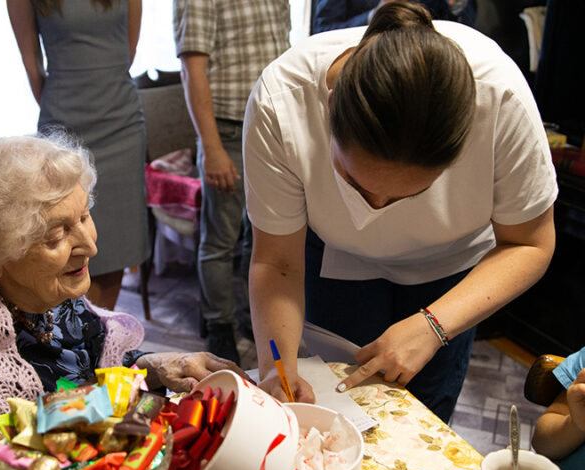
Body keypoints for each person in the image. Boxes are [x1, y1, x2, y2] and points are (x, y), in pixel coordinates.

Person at [244, 1, 556, 422]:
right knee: (330, 404)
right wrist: (275, 371)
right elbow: (277, 262)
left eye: (413, 193)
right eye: (356, 184)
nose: (378, 208)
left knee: (425, 413)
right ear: (330, 107)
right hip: (337, 258)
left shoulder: (499, 98)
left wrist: (433, 326)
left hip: (450, 271)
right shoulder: (281, 102)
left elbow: (531, 242)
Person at [0, 133, 248, 436]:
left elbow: (100, 367)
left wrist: (159, 366)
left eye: (84, 215)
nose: (90, 245)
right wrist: (125, 400)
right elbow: (11, 443)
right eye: (55, 235)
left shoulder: (42, 286)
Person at [7, 0, 149, 310]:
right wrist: (65, 100)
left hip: (120, 120)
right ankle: (70, 340)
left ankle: (99, 339)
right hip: (63, 121)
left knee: (118, 243)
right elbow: (31, 63)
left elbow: (128, 52)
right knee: (61, 238)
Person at [174, 0, 291, 364]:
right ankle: (219, 326)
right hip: (226, 128)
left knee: (262, 235)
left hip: (273, 123)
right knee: (221, 239)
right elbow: (193, 71)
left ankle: (250, 317)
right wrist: (210, 147)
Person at [311, 0, 476, 34]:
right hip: (357, 65)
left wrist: (455, 4)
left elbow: (464, 26)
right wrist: (377, 13)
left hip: (422, 67)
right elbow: (323, 30)